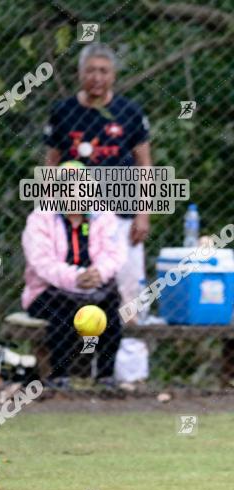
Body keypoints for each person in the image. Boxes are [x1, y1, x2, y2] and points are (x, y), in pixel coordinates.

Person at [43, 43, 153, 390]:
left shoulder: (129, 113)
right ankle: (77, 372)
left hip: (120, 215)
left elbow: (144, 166)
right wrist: (50, 213)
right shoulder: (63, 112)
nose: (97, 77)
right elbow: (51, 165)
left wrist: (143, 213)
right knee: (77, 289)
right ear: (81, 73)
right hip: (75, 219)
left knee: (129, 290)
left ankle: (127, 376)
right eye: (91, 70)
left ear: (113, 75)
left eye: (104, 71)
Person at [22, 207, 127, 393]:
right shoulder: (41, 218)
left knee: (110, 308)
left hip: (95, 287)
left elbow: (114, 254)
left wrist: (98, 273)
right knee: (64, 311)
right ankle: (59, 377)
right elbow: (41, 261)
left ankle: (105, 376)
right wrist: (75, 278)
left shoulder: (104, 217)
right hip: (48, 289)